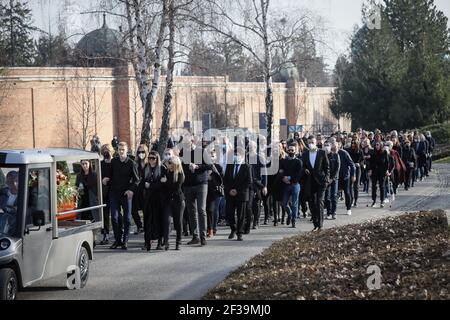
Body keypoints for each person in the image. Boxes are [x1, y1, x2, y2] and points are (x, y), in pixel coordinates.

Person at [103, 142, 140, 250]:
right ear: (117, 150)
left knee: (127, 218)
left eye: (123, 149)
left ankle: (125, 240)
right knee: (114, 217)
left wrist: (130, 190)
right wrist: (106, 179)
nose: (121, 151)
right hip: (114, 193)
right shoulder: (114, 162)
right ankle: (117, 240)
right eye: (119, 149)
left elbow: (137, 180)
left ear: (127, 150)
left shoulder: (131, 163)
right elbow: (110, 175)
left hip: (126, 194)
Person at [181, 137, 212, 246]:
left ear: (192, 141)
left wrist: (197, 166)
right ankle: (195, 236)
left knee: (201, 209)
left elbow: (210, 165)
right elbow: (181, 168)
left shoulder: (201, 151)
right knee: (191, 211)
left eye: (186, 142)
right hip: (188, 185)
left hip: (201, 184)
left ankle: (203, 236)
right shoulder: (183, 152)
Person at [302, 137, 330, 232]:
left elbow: (327, 167)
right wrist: (304, 169)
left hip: (321, 181)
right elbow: (303, 165)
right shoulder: (305, 154)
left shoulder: (322, 153)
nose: (311, 144)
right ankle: (315, 224)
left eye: (312, 142)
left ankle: (320, 225)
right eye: (309, 143)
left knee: (319, 201)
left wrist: (326, 179)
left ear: (316, 143)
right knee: (312, 203)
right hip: (310, 181)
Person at [224, 148, 252, 241]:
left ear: (243, 156)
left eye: (238, 155)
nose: (236, 156)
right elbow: (225, 180)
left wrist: (237, 191)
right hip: (230, 194)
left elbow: (248, 182)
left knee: (241, 215)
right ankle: (233, 228)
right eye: (235, 154)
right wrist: (229, 190)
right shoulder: (230, 166)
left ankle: (239, 233)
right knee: (229, 213)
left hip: (241, 194)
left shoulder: (247, 167)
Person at [161, 156, 185, 251]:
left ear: (175, 164)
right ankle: (166, 242)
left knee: (178, 222)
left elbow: (176, 188)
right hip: (168, 200)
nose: (168, 165)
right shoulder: (166, 173)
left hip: (178, 200)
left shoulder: (180, 174)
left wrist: (166, 182)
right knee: (166, 221)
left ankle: (178, 241)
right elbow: (164, 186)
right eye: (168, 163)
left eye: (170, 163)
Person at [143, 151, 165, 251]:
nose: (151, 160)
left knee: (158, 220)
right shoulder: (145, 168)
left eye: (153, 158)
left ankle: (160, 242)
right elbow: (143, 182)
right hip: (148, 198)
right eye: (150, 158)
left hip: (159, 198)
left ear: (157, 159)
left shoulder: (161, 168)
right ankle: (147, 242)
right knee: (147, 220)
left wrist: (151, 185)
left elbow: (162, 183)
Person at [280, 143, 303, 228]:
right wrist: (283, 178)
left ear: (295, 151)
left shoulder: (298, 162)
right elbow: (281, 171)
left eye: (292, 150)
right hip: (286, 185)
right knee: (284, 203)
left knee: (294, 204)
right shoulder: (283, 161)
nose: (291, 151)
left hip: (295, 184)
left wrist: (289, 178)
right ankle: (289, 214)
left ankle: (294, 220)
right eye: (289, 150)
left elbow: (299, 174)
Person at [206, 149, 224, 237]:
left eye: (213, 156)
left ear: (216, 157)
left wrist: (211, 178)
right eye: (209, 156)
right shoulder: (205, 166)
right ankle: (208, 228)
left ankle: (214, 228)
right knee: (208, 210)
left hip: (216, 192)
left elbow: (221, 180)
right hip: (206, 191)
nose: (211, 158)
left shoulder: (218, 167)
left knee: (214, 209)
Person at [131, 145, 147, 235]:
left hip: (145, 189)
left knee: (145, 209)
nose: (141, 154)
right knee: (133, 209)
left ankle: (146, 227)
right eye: (139, 152)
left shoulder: (148, 162)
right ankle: (139, 226)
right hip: (136, 189)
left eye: (143, 152)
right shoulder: (135, 163)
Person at [100, 144, 114, 245]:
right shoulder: (100, 163)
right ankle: (105, 234)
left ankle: (119, 232)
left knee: (115, 214)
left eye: (108, 150)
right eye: (104, 150)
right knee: (104, 214)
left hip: (114, 190)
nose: (106, 152)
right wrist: (102, 180)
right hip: (104, 191)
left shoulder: (115, 162)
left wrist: (109, 179)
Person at [368, 141, 389, 208]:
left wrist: (387, 170)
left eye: (378, 144)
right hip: (374, 171)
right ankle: (374, 201)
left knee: (381, 186)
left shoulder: (384, 152)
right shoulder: (372, 152)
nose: (377, 146)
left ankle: (382, 201)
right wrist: (370, 170)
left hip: (382, 171)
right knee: (374, 186)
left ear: (381, 145)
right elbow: (370, 162)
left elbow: (387, 162)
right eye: (376, 145)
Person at [338, 142, 356, 215]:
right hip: (336, 177)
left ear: (339, 145)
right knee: (335, 193)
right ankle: (332, 211)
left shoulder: (344, 153)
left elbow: (352, 164)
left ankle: (348, 208)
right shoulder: (330, 153)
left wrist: (353, 175)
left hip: (345, 176)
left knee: (347, 192)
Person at [324, 140, 340, 220]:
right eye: (325, 145)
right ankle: (328, 212)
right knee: (327, 197)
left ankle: (334, 212)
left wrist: (332, 178)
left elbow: (337, 168)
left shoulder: (335, 155)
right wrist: (327, 178)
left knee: (333, 196)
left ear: (331, 147)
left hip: (334, 179)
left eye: (328, 145)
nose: (326, 147)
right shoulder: (323, 156)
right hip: (326, 179)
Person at [0, 171, 19, 236]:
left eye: (16, 181)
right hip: (2, 218)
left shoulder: (25, 195)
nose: (13, 184)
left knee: (6, 218)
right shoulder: (3, 192)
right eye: (9, 182)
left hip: (17, 223)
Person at [346, 140, 363, 207]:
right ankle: (351, 199)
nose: (353, 144)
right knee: (350, 185)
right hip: (350, 169)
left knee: (356, 186)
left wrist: (359, 164)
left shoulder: (360, 151)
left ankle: (356, 200)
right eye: (352, 143)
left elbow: (362, 160)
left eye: (354, 143)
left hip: (357, 169)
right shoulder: (349, 151)